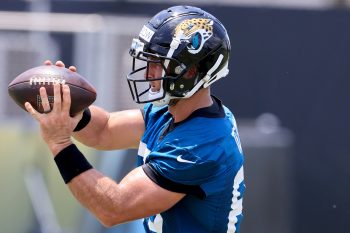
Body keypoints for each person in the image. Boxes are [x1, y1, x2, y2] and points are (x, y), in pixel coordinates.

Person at [25, 5, 245, 233]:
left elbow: (113, 208)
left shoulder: (199, 146)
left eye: (157, 64)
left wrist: (60, 144)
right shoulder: (175, 110)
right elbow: (105, 130)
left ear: (189, 72)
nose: (149, 73)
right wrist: (68, 105)